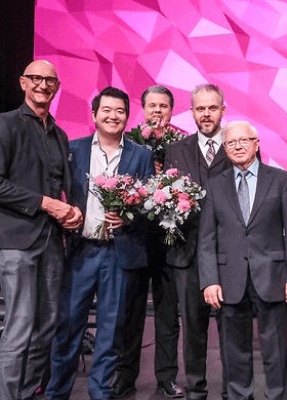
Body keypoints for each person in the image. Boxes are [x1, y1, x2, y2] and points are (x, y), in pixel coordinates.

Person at [47, 86, 155, 400]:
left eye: (120, 111)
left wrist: (129, 219)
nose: (113, 116)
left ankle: (101, 393)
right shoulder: (74, 149)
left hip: (119, 255)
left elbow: (149, 206)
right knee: (68, 327)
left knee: (110, 331)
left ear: (127, 116)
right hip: (80, 252)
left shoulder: (141, 155)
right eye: (106, 110)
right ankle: (56, 392)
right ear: (94, 114)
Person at [198, 120, 287, 400]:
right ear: (225, 149)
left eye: (244, 140)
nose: (238, 146)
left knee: (274, 348)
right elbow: (206, 238)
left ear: (256, 143)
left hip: (272, 275)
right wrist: (209, 280)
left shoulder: (281, 180)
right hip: (229, 277)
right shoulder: (215, 184)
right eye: (231, 143)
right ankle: (239, 396)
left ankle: (277, 396)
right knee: (235, 349)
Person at [0, 60, 83, 400]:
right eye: (36, 78)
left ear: (57, 87)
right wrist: (47, 204)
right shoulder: (6, 125)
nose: (43, 85)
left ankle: (26, 394)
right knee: (19, 328)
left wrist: (73, 212)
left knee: (45, 329)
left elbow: (63, 188)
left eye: (50, 80)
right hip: (17, 241)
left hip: (51, 242)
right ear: (23, 83)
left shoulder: (60, 135)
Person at [112, 85, 183, 399]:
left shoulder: (182, 144)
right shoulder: (128, 144)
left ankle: (166, 378)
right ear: (142, 109)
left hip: (170, 240)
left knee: (168, 315)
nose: (158, 110)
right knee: (130, 313)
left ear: (171, 110)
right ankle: (125, 377)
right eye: (152, 105)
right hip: (134, 238)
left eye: (164, 106)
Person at [162, 83, 233, 400]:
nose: (206, 114)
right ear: (192, 112)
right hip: (187, 253)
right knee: (192, 327)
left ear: (222, 110)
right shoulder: (176, 150)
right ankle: (197, 388)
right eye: (200, 108)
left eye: (212, 108)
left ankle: (234, 387)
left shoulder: (237, 144)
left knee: (231, 326)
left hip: (229, 254)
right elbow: (168, 199)